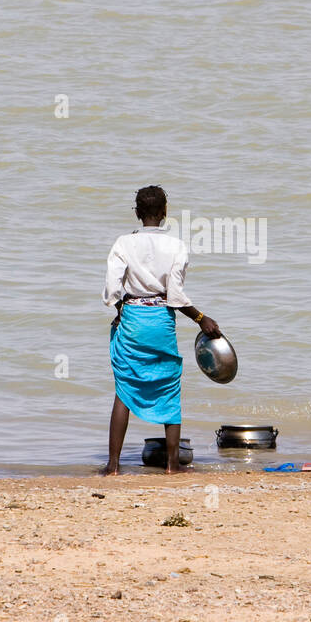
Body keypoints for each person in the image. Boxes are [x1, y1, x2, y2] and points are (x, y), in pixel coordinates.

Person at [102, 186, 220, 475]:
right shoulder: (176, 246)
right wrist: (201, 318)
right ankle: (171, 466)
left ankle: (114, 466)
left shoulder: (122, 243)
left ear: (137, 213)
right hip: (161, 323)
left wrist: (121, 311)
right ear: (165, 213)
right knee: (169, 389)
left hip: (133, 322)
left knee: (124, 390)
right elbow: (176, 296)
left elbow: (111, 290)